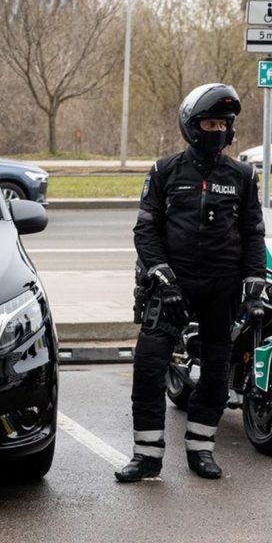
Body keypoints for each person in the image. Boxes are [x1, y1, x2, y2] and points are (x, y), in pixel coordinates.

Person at [117, 83, 266, 482]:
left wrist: (254, 285)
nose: (216, 129)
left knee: (217, 374)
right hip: (171, 288)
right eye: (208, 122)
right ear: (191, 125)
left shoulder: (242, 175)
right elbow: (145, 230)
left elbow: (253, 234)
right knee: (149, 369)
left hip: (222, 288)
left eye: (223, 122)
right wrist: (161, 276)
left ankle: (201, 450)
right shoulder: (164, 171)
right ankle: (146, 457)